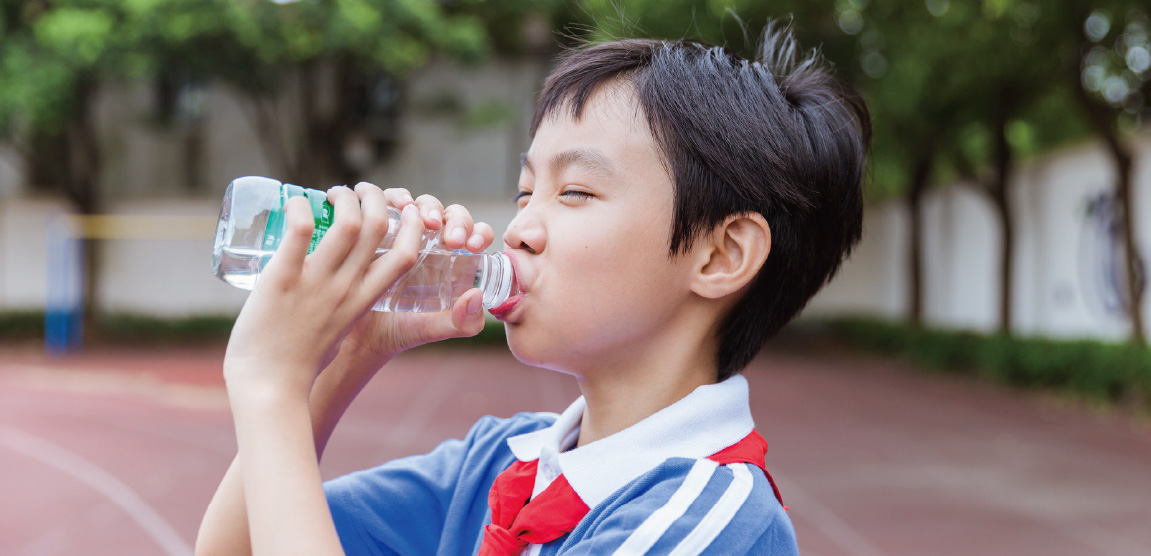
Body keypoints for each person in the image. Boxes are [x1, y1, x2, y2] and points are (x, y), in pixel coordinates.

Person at [196, 25, 869, 556]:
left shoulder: (706, 518)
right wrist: (338, 365)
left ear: (720, 253)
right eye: (525, 192)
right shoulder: (500, 461)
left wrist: (270, 387)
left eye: (574, 191)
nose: (518, 229)